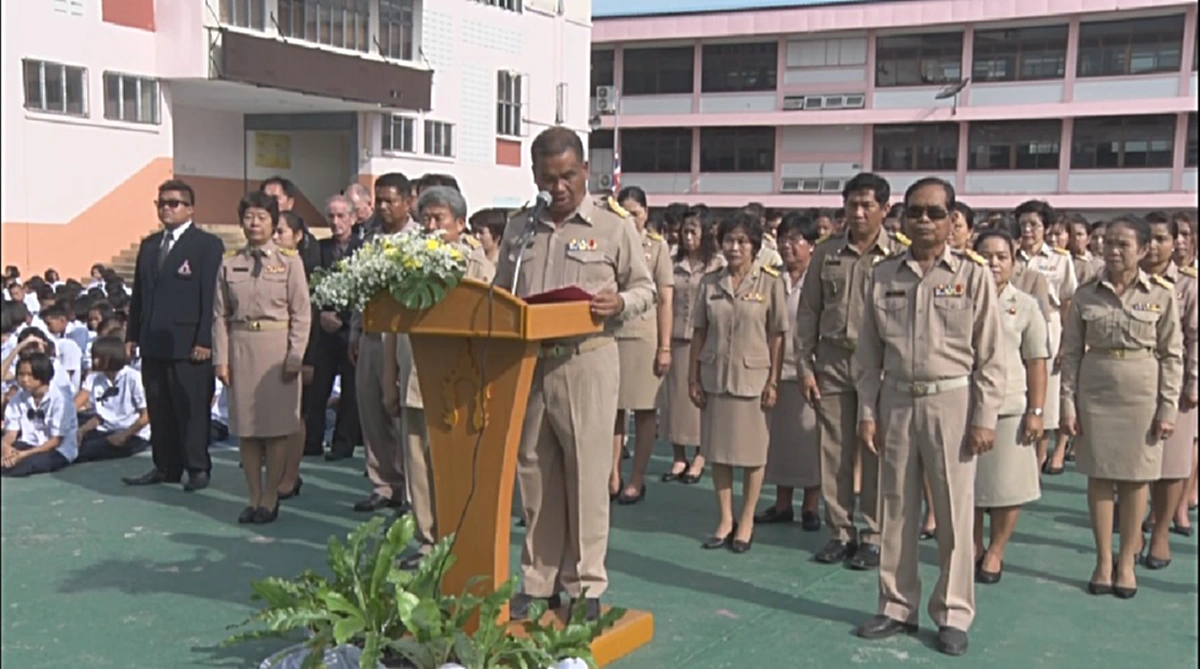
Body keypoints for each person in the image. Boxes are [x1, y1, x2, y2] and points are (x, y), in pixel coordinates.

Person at [493, 126, 655, 622]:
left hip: (587, 359)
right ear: (534, 175)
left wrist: (619, 303)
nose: (558, 187)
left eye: (567, 176)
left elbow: (645, 288)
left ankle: (585, 585)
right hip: (530, 364)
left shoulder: (612, 226)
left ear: (586, 170)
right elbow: (500, 292)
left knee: (586, 475)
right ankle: (539, 582)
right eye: (548, 178)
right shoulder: (520, 228)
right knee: (535, 475)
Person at [854, 177, 1004, 657]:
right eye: (915, 212)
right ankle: (896, 605)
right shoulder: (883, 275)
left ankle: (953, 612)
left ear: (952, 219)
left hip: (951, 401)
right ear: (902, 217)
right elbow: (867, 354)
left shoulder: (973, 275)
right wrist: (867, 411)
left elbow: (991, 355)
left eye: (934, 213)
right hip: (896, 398)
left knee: (954, 513)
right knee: (895, 508)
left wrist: (985, 417)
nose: (924, 220)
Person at [1060, 214, 1183, 599]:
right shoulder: (1086, 294)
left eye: (1122, 244)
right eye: (1108, 242)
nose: (1112, 250)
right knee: (1098, 477)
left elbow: (1172, 355)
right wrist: (1067, 404)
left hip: (1141, 395)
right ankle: (1102, 560)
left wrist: (1167, 408)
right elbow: (1070, 353)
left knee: (1135, 480)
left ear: (1143, 250)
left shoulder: (1161, 294)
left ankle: (1127, 561)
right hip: (1095, 392)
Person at [795, 172, 907, 570]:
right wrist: (804, 366)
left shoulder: (899, 255)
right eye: (852, 205)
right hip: (832, 362)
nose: (858, 213)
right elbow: (808, 311)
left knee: (875, 449)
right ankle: (840, 532)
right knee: (834, 451)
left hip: (880, 365)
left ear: (885, 209)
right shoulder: (827, 252)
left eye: (867, 206)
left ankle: (874, 535)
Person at [383, 185, 495, 568]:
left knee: (454, 466)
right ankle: (426, 542)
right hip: (414, 375)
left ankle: (458, 540)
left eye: (439, 219)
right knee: (417, 466)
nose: (431, 226)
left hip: (457, 382)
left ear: (460, 223)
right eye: (425, 218)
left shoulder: (474, 264)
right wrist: (389, 376)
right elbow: (393, 326)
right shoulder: (407, 260)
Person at [688, 212, 787, 554]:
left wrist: (773, 381)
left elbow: (776, 336)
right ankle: (725, 518)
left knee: (753, 454)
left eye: (742, 241)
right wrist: (693, 377)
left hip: (753, 379)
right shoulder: (709, 283)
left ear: (755, 247)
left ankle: (746, 520)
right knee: (719, 452)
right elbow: (699, 332)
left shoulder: (770, 283)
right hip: (716, 376)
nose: (734, 247)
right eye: (729, 240)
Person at [213, 191, 312, 524]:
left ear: (273, 222)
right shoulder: (230, 263)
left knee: (276, 429)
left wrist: (295, 354)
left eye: (262, 217)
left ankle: (271, 495)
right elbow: (220, 315)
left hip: (277, 349)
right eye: (248, 217)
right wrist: (221, 358)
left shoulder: (290, 262)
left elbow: (301, 313)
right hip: (242, 347)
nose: (254, 223)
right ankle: (253, 496)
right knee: (248, 429)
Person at [123, 179, 224, 491]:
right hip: (153, 340)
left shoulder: (206, 245)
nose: (166, 208)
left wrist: (205, 340)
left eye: (174, 203)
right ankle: (165, 466)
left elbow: (212, 296)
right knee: (159, 407)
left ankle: (197, 468)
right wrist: (132, 334)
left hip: (190, 343)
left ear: (190, 209)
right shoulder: (150, 245)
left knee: (192, 409)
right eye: (162, 203)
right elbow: (139, 295)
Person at [971, 229, 1049, 584]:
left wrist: (1036, 411)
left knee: (1007, 487)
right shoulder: (960, 298)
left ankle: (996, 550)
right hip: (966, 403)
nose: (993, 263)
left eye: (1001, 256)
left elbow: (1036, 361)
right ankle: (972, 544)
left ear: (1014, 262)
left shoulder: (1026, 305)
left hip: (1010, 407)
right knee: (968, 486)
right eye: (985, 255)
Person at [349, 173, 416, 512]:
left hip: (403, 338)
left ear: (408, 201)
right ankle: (383, 484)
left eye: (392, 200)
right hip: (372, 335)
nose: (385, 207)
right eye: (381, 201)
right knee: (371, 411)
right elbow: (360, 289)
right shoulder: (370, 239)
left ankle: (411, 489)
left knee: (402, 414)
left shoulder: (420, 240)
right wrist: (355, 330)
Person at [755, 211, 823, 530]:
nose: (787, 246)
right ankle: (782, 504)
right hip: (773, 371)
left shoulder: (819, 281)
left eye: (796, 240)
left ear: (812, 245)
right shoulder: (771, 278)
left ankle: (810, 506)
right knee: (780, 443)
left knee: (809, 443)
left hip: (809, 371)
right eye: (783, 239)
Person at [1138, 214, 1197, 566]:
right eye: (1149, 238)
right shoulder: (1126, 279)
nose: (1155, 246)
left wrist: (1193, 382)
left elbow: (1195, 337)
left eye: (1162, 239)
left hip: (1176, 384)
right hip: (1133, 383)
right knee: (1132, 462)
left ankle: (1160, 532)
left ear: (1175, 243)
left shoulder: (1188, 284)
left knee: (1172, 465)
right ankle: (1135, 530)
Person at [611, 185, 673, 505]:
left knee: (645, 410)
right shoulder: (610, 240)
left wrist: (665, 346)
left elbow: (665, 299)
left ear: (646, 214)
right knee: (613, 411)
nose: (630, 219)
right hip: (612, 335)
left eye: (635, 213)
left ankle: (637, 478)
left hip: (645, 337)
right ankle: (612, 475)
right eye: (624, 212)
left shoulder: (657, 248)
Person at [1014, 199, 1076, 476]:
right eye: (1023, 224)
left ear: (1046, 228)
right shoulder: (1010, 254)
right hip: (1013, 322)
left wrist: (1065, 344)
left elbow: (1067, 301)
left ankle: (1038, 463)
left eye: (1034, 225)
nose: (1027, 230)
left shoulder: (1060, 259)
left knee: (1045, 399)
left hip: (1048, 323)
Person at [661, 208, 723, 484]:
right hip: (676, 337)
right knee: (675, 400)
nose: (687, 237)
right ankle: (678, 456)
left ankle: (700, 455)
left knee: (701, 399)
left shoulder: (717, 264)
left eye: (693, 232)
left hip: (707, 339)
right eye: (684, 231)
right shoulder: (672, 260)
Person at [75, 336, 151, 462]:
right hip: (107, 430)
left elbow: (146, 416)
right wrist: (82, 430)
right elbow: (101, 416)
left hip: (133, 434)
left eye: (98, 357)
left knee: (87, 450)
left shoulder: (133, 377)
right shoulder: (97, 379)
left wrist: (124, 435)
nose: (94, 361)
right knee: (72, 443)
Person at [2, 352, 78, 476]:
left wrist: (23, 455)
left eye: (30, 375)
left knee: (24, 465)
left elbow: (56, 441)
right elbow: (11, 432)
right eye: (21, 374)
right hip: (27, 444)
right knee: (8, 459)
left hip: (56, 450)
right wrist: (5, 447)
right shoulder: (19, 397)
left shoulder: (60, 400)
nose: (24, 380)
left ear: (42, 374)